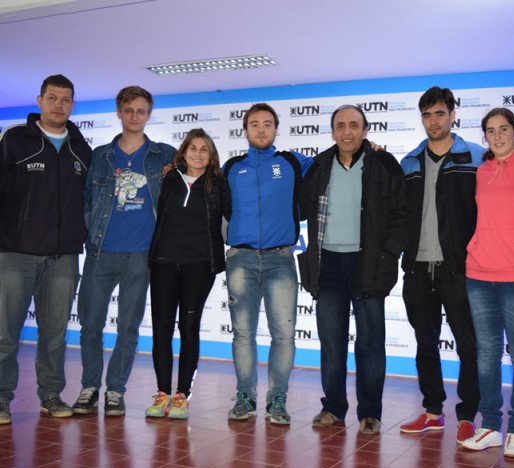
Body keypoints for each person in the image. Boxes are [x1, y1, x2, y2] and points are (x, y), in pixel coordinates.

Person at [298, 105, 408, 434]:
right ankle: (333, 408)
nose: (347, 131)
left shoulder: (384, 163)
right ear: (333, 131)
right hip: (327, 265)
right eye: (341, 125)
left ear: (365, 130)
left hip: (369, 265)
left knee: (371, 344)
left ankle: (370, 412)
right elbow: (301, 206)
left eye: (354, 125)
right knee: (332, 343)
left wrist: (388, 253)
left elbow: (402, 213)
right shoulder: (318, 165)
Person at [72, 86, 176, 416]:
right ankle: (89, 387)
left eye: (141, 111)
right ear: (119, 112)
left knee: (128, 328)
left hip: (141, 256)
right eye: (128, 110)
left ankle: (115, 390)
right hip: (101, 253)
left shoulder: (164, 155)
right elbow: (87, 202)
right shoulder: (100, 155)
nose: (135, 116)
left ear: (149, 114)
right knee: (90, 324)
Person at [0, 74, 92, 424]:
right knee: (5, 333)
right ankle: (1, 397)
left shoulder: (80, 148)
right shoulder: (14, 141)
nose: (59, 105)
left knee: (54, 335)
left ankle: (51, 394)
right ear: (40, 100)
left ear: (72, 104)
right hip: (14, 254)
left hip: (63, 258)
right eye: (53, 98)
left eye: (66, 99)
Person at [399, 86, 483, 443]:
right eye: (427, 115)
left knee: (468, 345)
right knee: (425, 344)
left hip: (460, 268)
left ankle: (467, 416)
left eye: (439, 113)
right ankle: (433, 411)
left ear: (453, 115)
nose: (433, 121)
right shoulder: (409, 162)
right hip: (418, 268)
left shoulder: (477, 157)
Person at [460, 108, 514, 458]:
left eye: (503, 129)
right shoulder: (481, 171)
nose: (497, 136)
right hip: (479, 273)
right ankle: (491, 426)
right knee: (487, 356)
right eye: (491, 131)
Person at [223, 103, 314, 425]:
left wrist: (369, 149)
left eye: (267, 124)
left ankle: (277, 400)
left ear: (276, 129)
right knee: (243, 335)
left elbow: (334, 163)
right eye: (254, 124)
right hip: (241, 260)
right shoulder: (231, 167)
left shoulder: (292, 162)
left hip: (280, 260)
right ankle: (244, 397)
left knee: (284, 336)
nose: (261, 129)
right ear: (245, 130)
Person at [145, 128, 230, 419]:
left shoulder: (219, 184)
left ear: (211, 155)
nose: (197, 153)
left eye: (204, 149)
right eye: (192, 148)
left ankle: (181, 395)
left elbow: (231, 218)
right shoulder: (170, 178)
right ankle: (161, 393)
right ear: (183, 152)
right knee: (161, 330)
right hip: (164, 264)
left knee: (189, 328)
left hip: (200, 266)